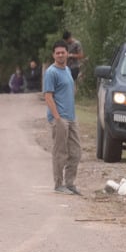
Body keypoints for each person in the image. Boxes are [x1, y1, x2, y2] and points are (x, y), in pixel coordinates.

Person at [44, 40, 81, 195]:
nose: (60, 55)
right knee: (60, 152)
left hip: (71, 117)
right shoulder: (51, 72)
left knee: (76, 152)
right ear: (53, 55)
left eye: (62, 52)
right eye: (57, 52)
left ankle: (70, 183)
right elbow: (48, 96)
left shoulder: (67, 70)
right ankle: (59, 184)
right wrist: (57, 118)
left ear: (67, 53)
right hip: (60, 118)